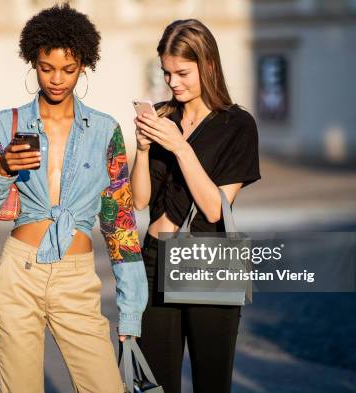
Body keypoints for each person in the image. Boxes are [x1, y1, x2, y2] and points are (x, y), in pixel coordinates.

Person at [0, 4, 147, 392]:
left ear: (84, 64)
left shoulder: (104, 130)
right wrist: (2, 169)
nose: (57, 79)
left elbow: (121, 224)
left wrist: (130, 313)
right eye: (47, 67)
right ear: (33, 61)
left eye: (68, 69)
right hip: (19, 273)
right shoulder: (4, 124)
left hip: (77, 278)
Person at [131, 19, 261, 393]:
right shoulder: (163, 116)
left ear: (208, 65)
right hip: (154, 260)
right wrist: (142, 148)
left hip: (208, 259)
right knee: (153, 385)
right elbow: (140, 200)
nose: (173, 83)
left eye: (182, 73)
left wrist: (180, 147)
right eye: (167, 73)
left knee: (211, 383)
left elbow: (214, 208)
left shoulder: (237, 125)